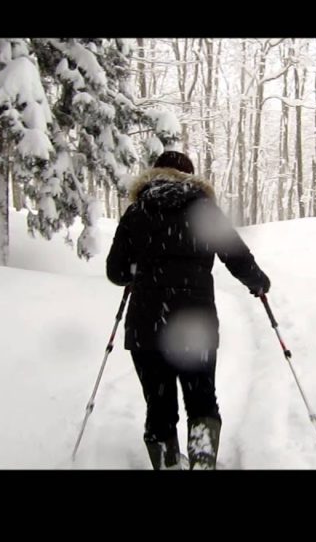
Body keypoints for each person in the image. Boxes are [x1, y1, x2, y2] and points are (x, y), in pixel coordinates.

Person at [107, 151, 270, 470]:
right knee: (201, 400)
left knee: (159, 404)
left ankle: (167, 463)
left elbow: (116, 271)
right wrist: (258, 282)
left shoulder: (137, 212)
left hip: (146, 326)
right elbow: (236, 256)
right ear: (190, 177)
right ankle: (202, 461)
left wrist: (138, 271)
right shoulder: (204, 211)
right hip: (195, 325)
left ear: (154, 174)